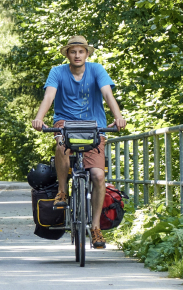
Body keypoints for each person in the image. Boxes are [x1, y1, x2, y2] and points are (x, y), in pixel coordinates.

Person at [31, 36, 126, 248]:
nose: (77, 55)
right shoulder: (57, 72)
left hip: (94, 125)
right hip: (66, 122)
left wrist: (118, 116)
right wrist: (39, 118)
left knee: (98, 175)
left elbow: (107, 94)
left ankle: (95, 228)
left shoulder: (97, 70)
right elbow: (49, 96)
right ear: (67, 54)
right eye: (72, 51)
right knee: (61, 144)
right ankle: (62, 191)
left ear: (87, 53)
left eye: (80, 51)